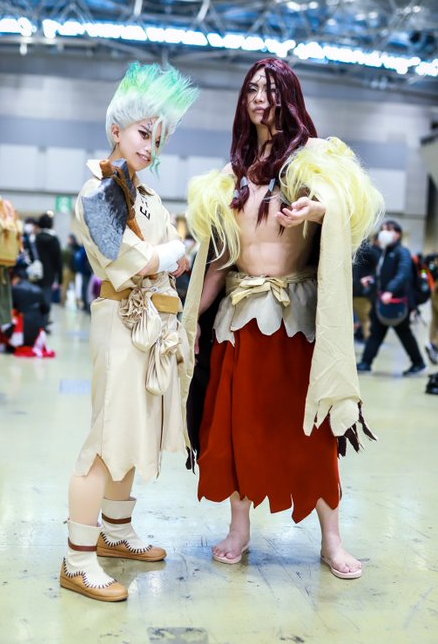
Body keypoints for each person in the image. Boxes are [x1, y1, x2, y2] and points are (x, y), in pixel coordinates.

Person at [182, 58, 384, 580]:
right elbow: (219, 261)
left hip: (297, 321)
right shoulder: (230, 177)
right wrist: (188, 319)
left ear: (288, 95)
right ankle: (239, 529)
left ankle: (332, 540)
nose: (259, 97)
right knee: (237, 429)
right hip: (238, 321)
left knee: (312, 432)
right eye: (252, 88)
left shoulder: (313, 162)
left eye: (270, 88)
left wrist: (319, 211)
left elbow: (349, 203)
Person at [60, 61, 198, 602]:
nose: (150, 146)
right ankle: (77, 559)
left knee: (132, 433)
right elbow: (131, 257)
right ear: (115, 129)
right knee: (104, 439)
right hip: (121, 322)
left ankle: (116, 532)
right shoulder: (97, 191)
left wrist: (167, 256)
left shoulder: (148, 197)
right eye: (143, 133)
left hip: (153, 325)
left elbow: (166, 258)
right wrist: (168, 253)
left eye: (157, 138)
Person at [357, 220, 426, 376]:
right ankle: (366, 363)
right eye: (382, 229)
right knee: (376, 332)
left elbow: (403, 274)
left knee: (404, 334)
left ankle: (418, 363)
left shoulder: (402, 252)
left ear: (398, 234)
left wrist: (390, 291)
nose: (384, 232)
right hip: (383, 301)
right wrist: (372, 279)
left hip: (397, 302)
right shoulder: (385, 252)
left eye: (389, 229)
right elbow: (384, 275)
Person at [33, 212, 63, 323]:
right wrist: (60, 279)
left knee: (35, 298)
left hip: (35, 274)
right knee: (46, 298)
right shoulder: (54, 240)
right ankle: (44, 322)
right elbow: (58, 260)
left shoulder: (35, 239)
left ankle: (36, 322)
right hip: (49, 275)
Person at [61, 233, 80, 306]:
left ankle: (63, 301)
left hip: (69, 269)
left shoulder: (68, 248)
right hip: (74, 270)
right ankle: (76, 302)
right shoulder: (77, 248)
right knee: (75, 287)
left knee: (65, 286)